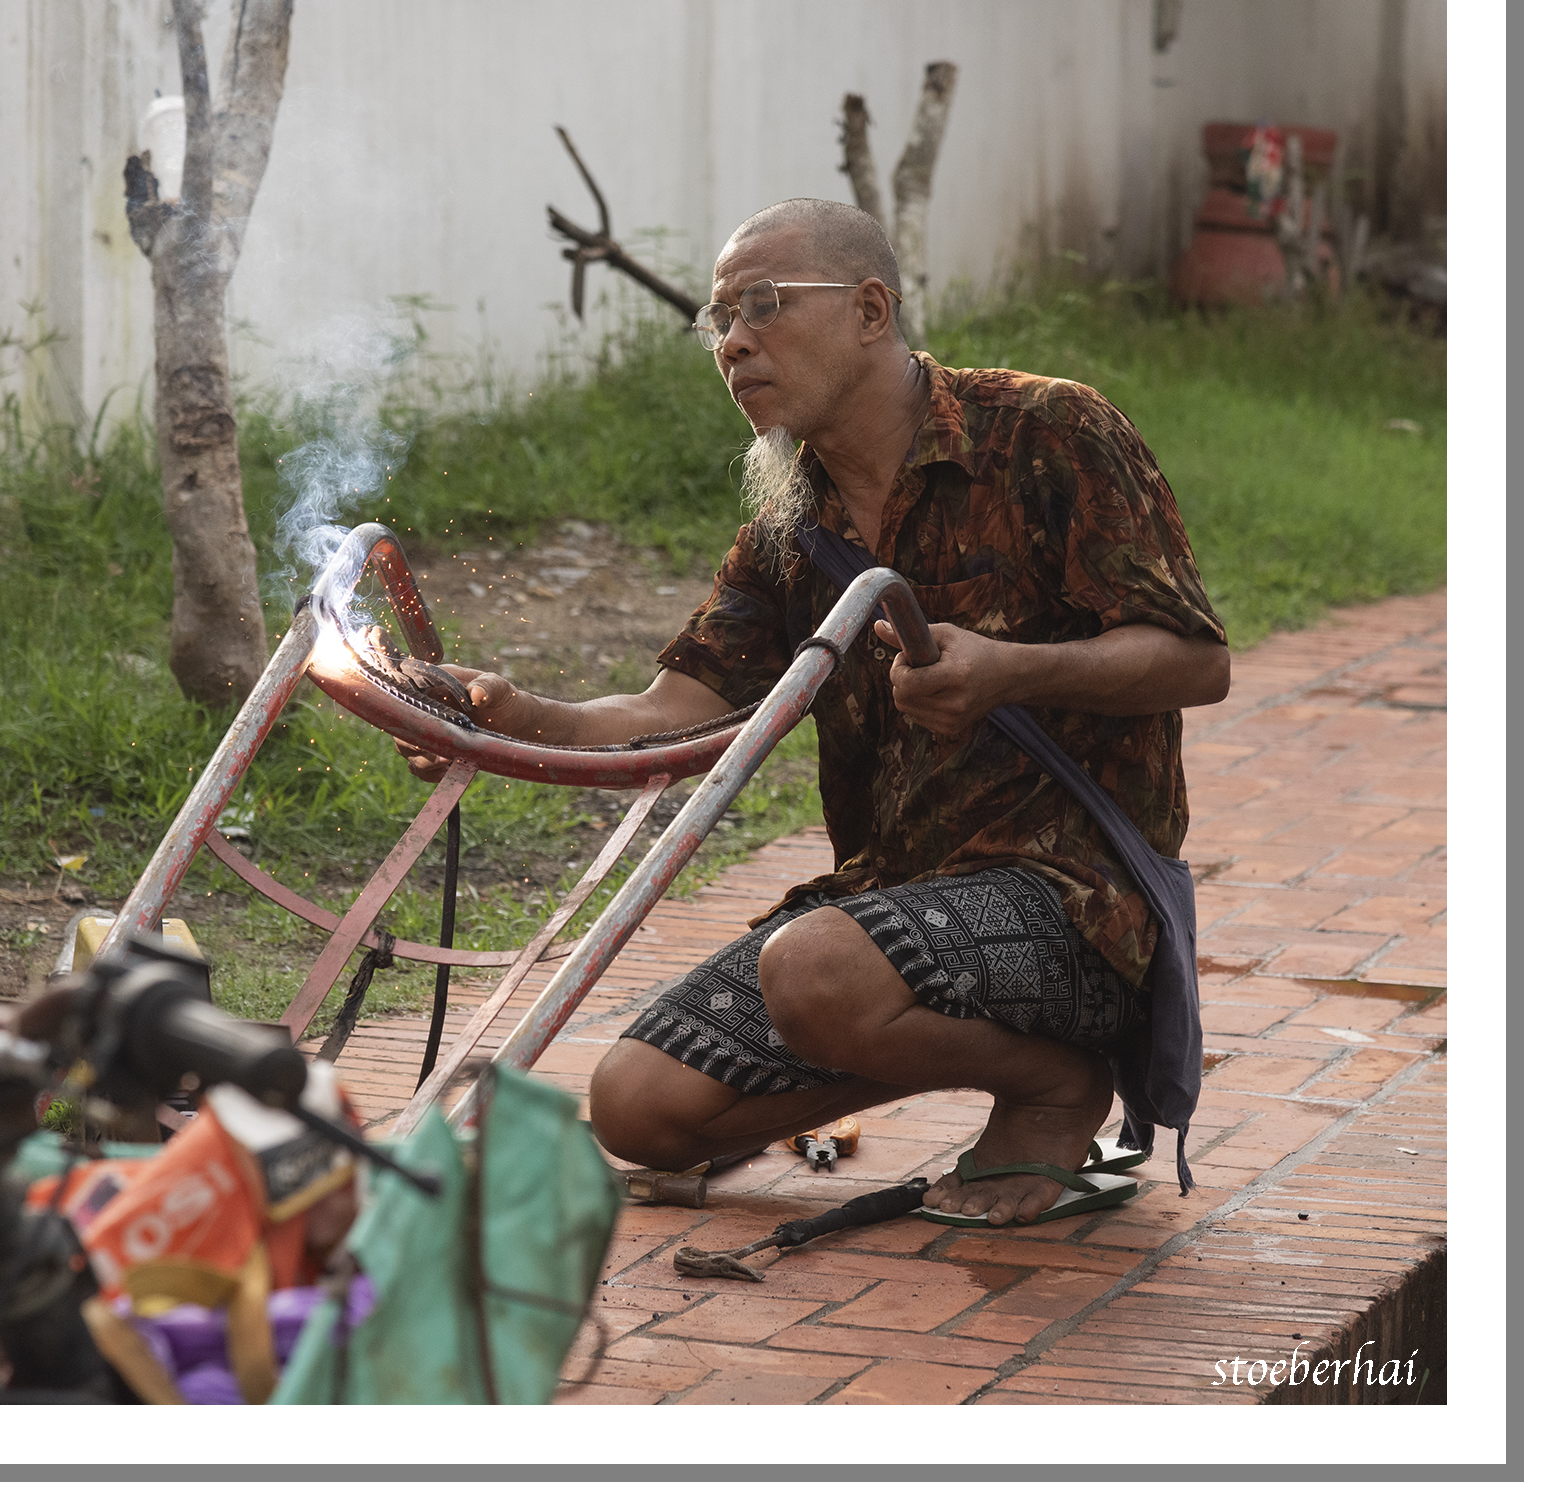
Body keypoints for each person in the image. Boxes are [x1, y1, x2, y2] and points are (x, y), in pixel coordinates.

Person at [396, 198, 1230, 1227]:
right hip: (886, 913)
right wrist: (513, 717)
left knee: (816, 967)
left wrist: (1008, 671)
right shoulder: (789, 526)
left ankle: (1054, 1083)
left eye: (763, 305)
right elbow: (671, 710)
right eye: (717, 319)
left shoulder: (1049, 430)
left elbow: (1195, 660)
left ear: (870, 310)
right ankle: (913, 1033)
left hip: (1076, 907)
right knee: (637, 1107)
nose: (731, 339)